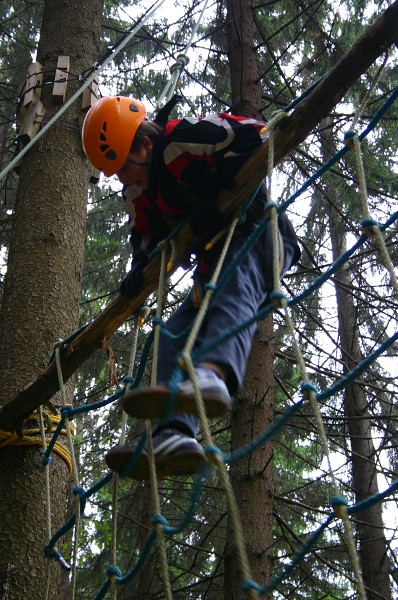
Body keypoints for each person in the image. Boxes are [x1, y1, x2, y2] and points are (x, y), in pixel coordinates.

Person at [81, 95, 301, 480]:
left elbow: (255, 134)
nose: (121, 178)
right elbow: (144, 234)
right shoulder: (138, 191)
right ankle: (174, 433)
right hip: (214, 262)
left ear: (145, 147)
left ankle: (214, 374)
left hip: (260, 237)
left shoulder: (182, 140)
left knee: (229, 290)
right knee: (173, 333)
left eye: (123, 167)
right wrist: (139, 266)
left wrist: (217, 189)